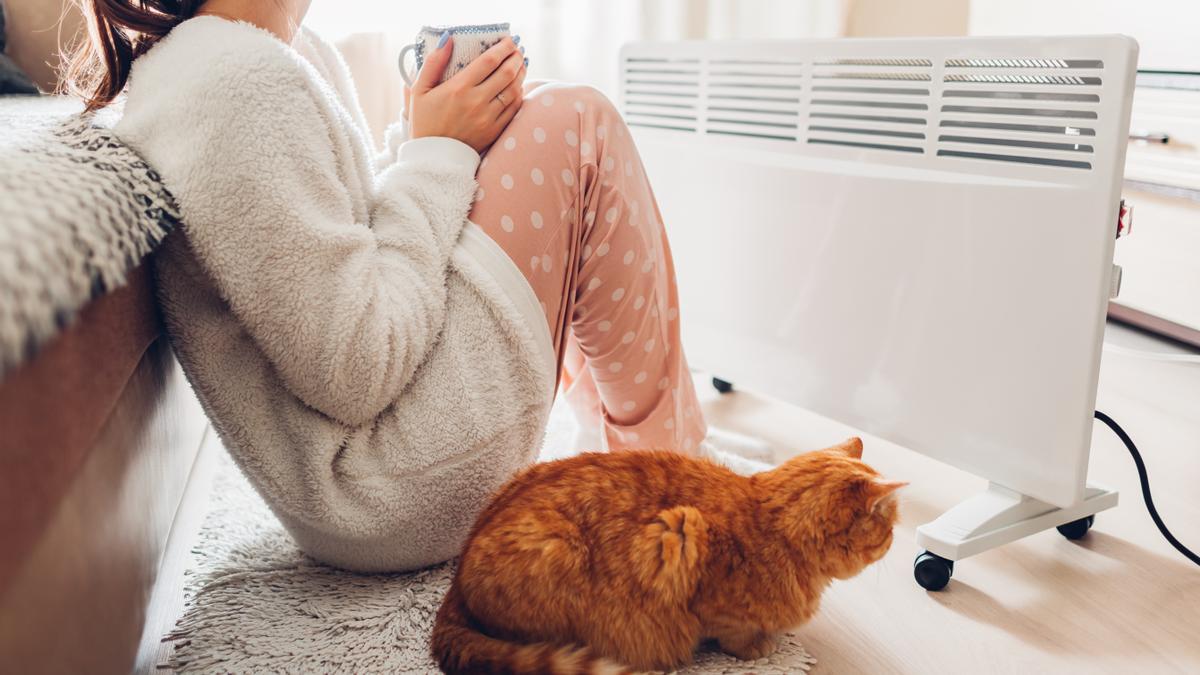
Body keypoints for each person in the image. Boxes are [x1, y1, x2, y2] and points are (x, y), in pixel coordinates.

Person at [66, 0, 769, 572]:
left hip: (378, 474)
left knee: (549, 113)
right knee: (575, 122)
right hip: (386, 486)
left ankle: (651, 453)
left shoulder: (275, 55)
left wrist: (428, 137)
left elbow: (349, 238)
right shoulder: (235, 85)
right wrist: (437, 152)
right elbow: (356, 369)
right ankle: (676, 478)